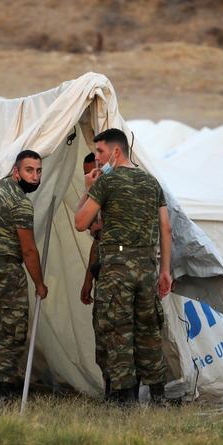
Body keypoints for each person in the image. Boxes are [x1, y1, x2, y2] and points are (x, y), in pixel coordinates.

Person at [74, 128, 172, 405]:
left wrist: (88, 189)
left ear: (116, 152)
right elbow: (165, 228)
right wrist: (165, 270)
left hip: (117, 267)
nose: (97, 159)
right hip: (147, 265)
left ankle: (124, 398)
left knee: (118, 330)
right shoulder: (152, 182)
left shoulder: (108, 181)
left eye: (100, 152)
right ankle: (158, 396)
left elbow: (81, 222)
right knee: (149, 330)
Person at [0, 149, 48, 406]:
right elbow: (28, 249)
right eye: (29, 170)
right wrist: (39, 283)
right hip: (3, 271)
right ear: (16, 171)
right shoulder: (21, 203)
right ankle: (3, 398)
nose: (35, 177)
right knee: (9, 335)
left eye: (38, 171)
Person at [79, 152, 110, 398]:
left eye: (94, 171)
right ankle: (111, 389)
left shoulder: (115, 193)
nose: (92, 177)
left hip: (120, 271)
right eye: (87, 174)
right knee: (102, 336)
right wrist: (88, 280)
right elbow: (94, 241)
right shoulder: (94, 197)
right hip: (103, 274)